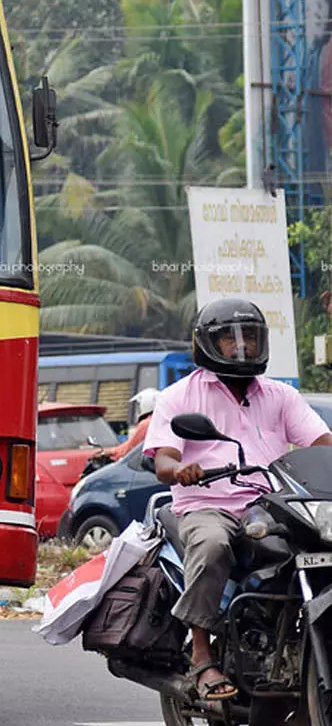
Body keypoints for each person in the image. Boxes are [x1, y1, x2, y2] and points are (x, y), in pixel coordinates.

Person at [144, 298, 332, 702]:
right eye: (230, 338)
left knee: (319, 546)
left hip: (270, 504)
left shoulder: (280, 396)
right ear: (207, 343)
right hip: (208, 504)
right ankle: (201, 655)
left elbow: (322, 443)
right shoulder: (180, 396)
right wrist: (181, 469)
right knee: (213, 545)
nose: (242, 345)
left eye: (249, 336)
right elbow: (163, 459)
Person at [91, 388, 158, 464]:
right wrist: (111, 451)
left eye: (139, 405)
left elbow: (130, 448)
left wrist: (108, 453)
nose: (138, 409)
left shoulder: (146, 424)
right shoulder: (157, 421)